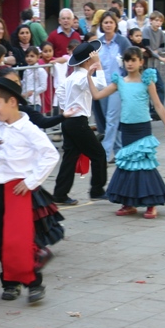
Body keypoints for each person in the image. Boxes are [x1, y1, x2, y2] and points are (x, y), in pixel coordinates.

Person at [0, 76, 61, 303]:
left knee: (18, 239)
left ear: (12, 102)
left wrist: (31, 181)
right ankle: (10, 282)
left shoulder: (28, 129)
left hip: (17, 189)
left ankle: (33, 283)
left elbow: (51, 154)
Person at [88, 46, 165, 218]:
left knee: (144, 165)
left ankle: (150, 203)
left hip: (142, 128)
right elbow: (97, 95)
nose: (130, 63)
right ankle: (129, 203)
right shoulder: (119, 81)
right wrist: (89, 76)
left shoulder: (147, 80)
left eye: (134, 60)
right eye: (127, 60)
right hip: (127, 128)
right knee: (128, 164)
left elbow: (158, 104)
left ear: (141, 62)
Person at [52, 40, 108, 206]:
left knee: (69, 158)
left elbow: (59, 91)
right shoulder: (83, 77)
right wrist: (99, 65)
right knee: (98, 154)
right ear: (88, 61)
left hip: (69, 121)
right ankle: (97, 190)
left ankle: (60, 194)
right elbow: (102, 86)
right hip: (78, 122)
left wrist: (66, 107)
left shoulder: (71, 77)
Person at [99, 11, 132, 162]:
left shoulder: (122, 42)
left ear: (115, 24)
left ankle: (104, 154)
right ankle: (119, 152)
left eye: (111, 22)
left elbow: (131, 57)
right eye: (105, 22)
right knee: (108, 119)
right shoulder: (98, 43)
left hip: (117, 85)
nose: (108, 25)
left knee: (112, 119)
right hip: (101, 85)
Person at [21, 46, 47, 112]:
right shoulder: (26, 70)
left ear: (38, 57)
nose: (29, 58)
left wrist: (32, 93)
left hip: (35, 102)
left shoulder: (40, 70)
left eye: (32, 56)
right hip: (25, 101)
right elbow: (24, 83)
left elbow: (43, 87)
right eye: (27, 56)